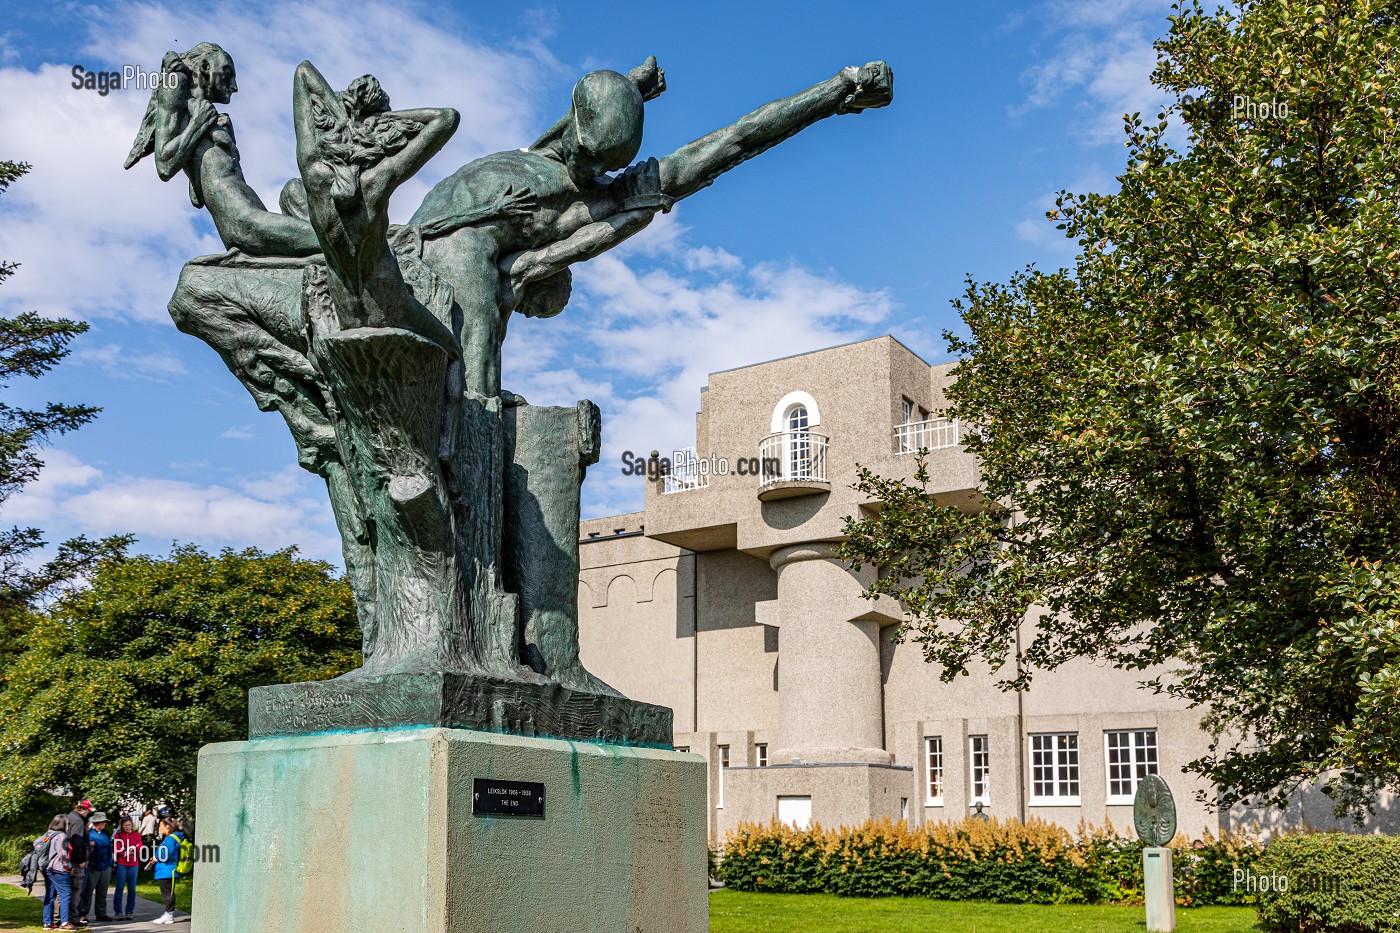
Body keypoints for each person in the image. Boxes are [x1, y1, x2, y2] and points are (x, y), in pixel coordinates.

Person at [35, 814, 73, 930]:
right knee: (65, 894)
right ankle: (64, 922)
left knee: (50, 895)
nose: (68, 825)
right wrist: (69, 867)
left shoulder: (47, 834)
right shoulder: (62, 836)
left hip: (47, 869)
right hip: (59, 869)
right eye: (67, 823)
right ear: (63, 824)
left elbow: (36, 843)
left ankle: (47, 922)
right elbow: (63, 854)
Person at [146, 818, 179, 924]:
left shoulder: (170, 839)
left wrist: (155, 859)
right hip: (166, 870)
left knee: (167, 894)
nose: (159, 828)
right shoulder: (171, 838)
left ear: (168, 827)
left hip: (167, 870)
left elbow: (165, 854)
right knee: (168, 893)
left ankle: (169, 915)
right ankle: (168, 914)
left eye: (161, 826)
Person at [82, 813, 114, 922]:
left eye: (104, 823)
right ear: (95, 823)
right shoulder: (89, 834)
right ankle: (83, 913)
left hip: (106, 867)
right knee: (88, 892)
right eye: (101, 823)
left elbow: (110, 849)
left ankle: (101, 913)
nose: (103, 825)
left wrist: (110, 863)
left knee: (102, 892)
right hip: (93, 867)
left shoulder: (105, 834)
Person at [64, 800, 91, 927]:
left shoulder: (68, 817)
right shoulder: (79, 821)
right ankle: (73, 918)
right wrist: (80, 859)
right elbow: (77, 841)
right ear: (82, 810)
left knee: (65, 891)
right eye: (87, 811)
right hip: (75, 861)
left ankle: (62, 917)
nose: (87, 814)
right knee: (76, 889)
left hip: (66, 859)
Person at [111, 816, 141, 921]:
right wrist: (125, 852)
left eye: (129, 825)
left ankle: (129, 911)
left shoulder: (136, 834)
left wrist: (133, 848)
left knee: (132, 889)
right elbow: (116, 849)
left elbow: (140, 845)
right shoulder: (118, 836)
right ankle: (118, 912)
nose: (128, 827)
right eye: (125, 825)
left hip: (133, 864)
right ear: (122, 826)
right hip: (122, 864)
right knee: (119, 888)